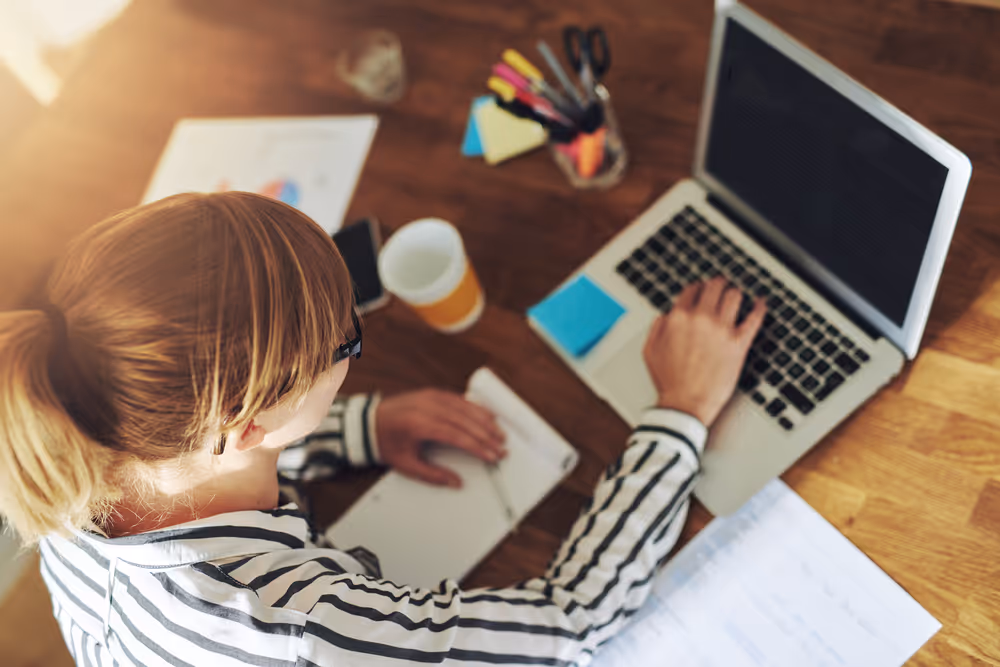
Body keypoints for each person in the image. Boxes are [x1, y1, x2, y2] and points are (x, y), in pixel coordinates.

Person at [0, 192, 765, 666]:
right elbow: (570, 623)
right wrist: (682, 410)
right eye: (347, 345)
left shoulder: (67, 444)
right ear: (247, 426)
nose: (354, 352)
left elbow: (207, 461)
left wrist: (362, 429)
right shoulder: (303, 632)